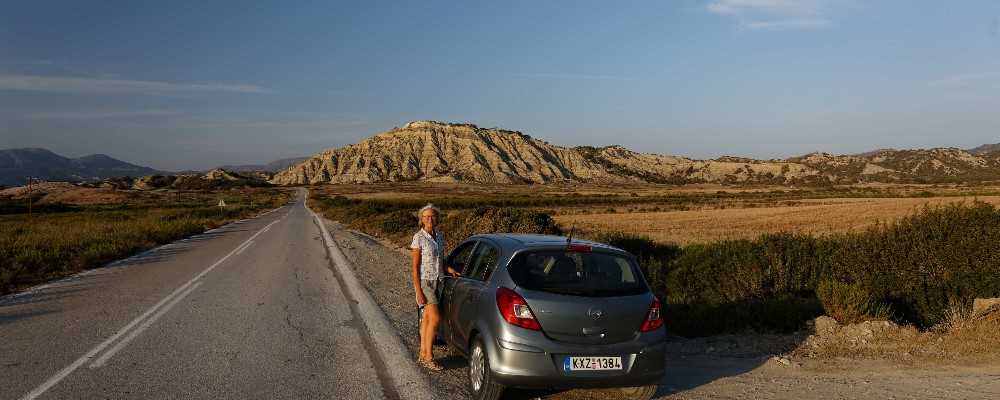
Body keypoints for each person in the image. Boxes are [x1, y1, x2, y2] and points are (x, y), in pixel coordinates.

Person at [410, 203, 460, 371]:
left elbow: (440, 259)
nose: (429, 219)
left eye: (432, 216)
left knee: (427, 319)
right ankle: (430, 357)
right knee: (436, 318)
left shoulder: (439, 236)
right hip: (425, 282)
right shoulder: (419, 237)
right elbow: (415, 267)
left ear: (437, 218)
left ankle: (423, 353)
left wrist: (448, 268)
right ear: (421, 220)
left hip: (439, 280)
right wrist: (418, 291)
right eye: (426, 217)